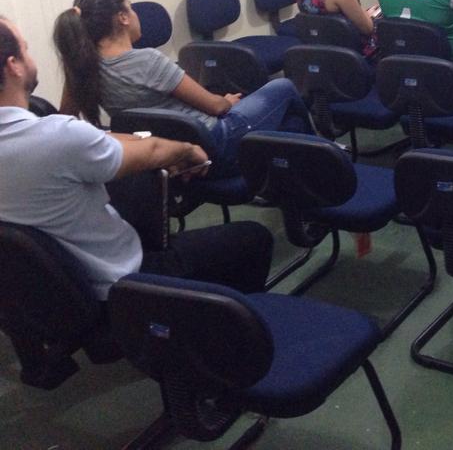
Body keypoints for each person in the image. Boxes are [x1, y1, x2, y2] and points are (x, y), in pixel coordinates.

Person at [0, 17, 273, 298]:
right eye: (26, 49)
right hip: (121, 281)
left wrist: (145, 146)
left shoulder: (53, 136)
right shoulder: (58, 136)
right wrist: (186, 150)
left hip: (51, 296)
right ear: (13, 66)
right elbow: (151, 150)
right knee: (254, 238)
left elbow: (101, 139)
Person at [53, 0, 314, 176]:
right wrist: (227, 101)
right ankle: (321, 170)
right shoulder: (147, 60)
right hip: (217, 141)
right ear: (122, 18)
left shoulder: (81, 69)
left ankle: (298, 178)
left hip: (167, 155)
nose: (134, 14)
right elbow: (215, 107)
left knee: (291, 125)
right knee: (283, 87)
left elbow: (64, 122)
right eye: (130, 8)